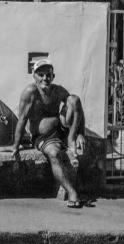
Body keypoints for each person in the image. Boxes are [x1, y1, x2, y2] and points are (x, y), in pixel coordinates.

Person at [12, 59, 87, 208]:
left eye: (48, 75)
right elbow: (22, 119)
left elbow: (78, 110)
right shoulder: (30, 93)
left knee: (74, 99)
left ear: (53, 76)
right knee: (54, 154)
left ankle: (71, 139)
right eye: (41, 75)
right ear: (35, 76)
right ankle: (72, 192)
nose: (45, 78)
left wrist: (80, 134)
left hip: (61, 130)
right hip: (43, 137)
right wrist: (16, 145)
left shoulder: (58, 91)